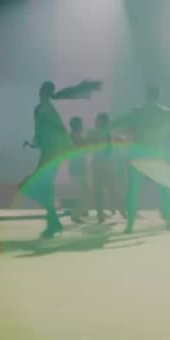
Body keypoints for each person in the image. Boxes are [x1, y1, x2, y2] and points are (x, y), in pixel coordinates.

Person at [24, 79, 102, 239]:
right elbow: (46, 132)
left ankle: (52, 221)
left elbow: (53, 131)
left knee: (34, 186)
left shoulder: (44, 109)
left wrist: (59, 148)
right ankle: (53, 221)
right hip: (51, 153)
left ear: (42, 91)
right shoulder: (45, 108)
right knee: (41, 187)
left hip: (50, 154)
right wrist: (35, 144)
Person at [112, 85, 170, 233]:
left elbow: (118, 122)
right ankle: (168, 220)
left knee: (133, 190)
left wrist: (101, 130)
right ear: (158, 96)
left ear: (146, 95)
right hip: (156, 156)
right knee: (165, 189)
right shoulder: (165, 113)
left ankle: (130, 224)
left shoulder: (137, 112)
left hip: (138, 156)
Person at [88, 113, 119, 222]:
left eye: (99, 120)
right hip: (101, 163)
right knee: (100, 190)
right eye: (97, 119)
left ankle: (105, 210)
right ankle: (101, 213)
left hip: (104, 163)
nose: (96, 121)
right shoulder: (103, 133)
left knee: (105, 188)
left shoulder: (104, 133)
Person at [67, 116, 90, 224]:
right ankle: (76, 215)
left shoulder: (72, 136)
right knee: (85, 193)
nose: (82, 126)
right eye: (81, 124)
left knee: (85, 192)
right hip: (78, 168)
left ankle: (81, 212)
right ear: (78, 126)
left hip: (78, 168)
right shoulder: (75, 137)